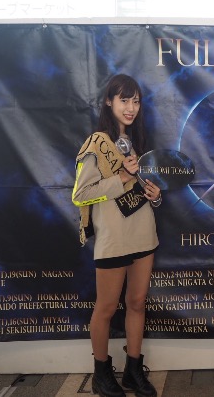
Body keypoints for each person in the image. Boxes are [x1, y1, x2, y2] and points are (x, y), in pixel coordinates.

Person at [72, 74, 161, 397]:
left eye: (135, 101)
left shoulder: (136, 142)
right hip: (113, 238)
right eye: (124, 100)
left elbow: (143, 186)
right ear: (109, 101)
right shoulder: (96, 144)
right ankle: (101, 374)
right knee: (107, 307)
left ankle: (133, 371)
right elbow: (81, 194)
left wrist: (154, 195)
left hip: (143, 234)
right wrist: (121, 177)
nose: (131, 107)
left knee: (137, 303)